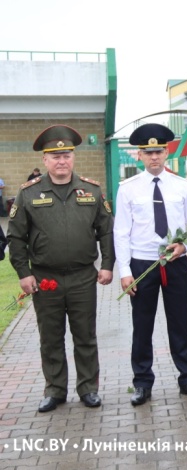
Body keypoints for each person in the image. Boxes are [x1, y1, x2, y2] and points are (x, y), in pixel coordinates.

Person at [7, 125, 114, 412]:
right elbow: (15, 237)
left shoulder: (91, 190)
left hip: (82, 277)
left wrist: (106, 265)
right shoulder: (28, 194)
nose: (61, 161)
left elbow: (106, 231)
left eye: (66, 154)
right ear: (45, 161)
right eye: (54, 156)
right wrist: (23, 273)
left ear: (73, 157)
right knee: (50, 338)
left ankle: (88, 389)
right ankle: (55, 390)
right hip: (45, 278)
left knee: (85, 336)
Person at [114, 123, 187, 406]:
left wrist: (183, 246)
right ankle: (142, 382)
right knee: (142, 326)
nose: (154, 157)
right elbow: (121, 232)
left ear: (167, 153)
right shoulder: (128, 189)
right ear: (139, 155)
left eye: (159, 151)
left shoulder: (182, 186)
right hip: (143, 265)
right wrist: (126, 272)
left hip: (175, 263)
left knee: (180, 324)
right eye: (148, 152)